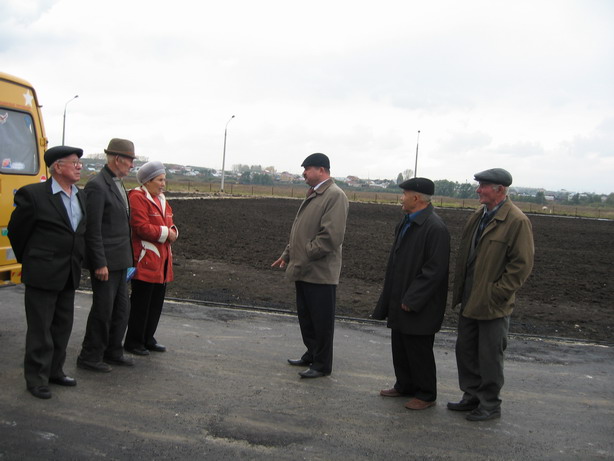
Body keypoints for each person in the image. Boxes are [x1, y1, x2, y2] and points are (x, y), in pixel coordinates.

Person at [448, 168, 534, 421]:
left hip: (493, 304)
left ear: (500, 190)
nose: (478, 190)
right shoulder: (478, 216)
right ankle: (471, 396)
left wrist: (498, 293)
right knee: (466, 351)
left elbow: (521, 265)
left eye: (483, 185)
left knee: (489, 356)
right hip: (470, 298)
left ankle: (490, 404)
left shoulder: (517, 221)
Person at [8, 146, 86, 399]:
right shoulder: (33, 195)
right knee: (40, 329)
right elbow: (18, 232)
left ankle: (55, 371)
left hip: (69, 272)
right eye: (74, 162)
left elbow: (80, 233)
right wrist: (32, 260)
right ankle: (36, 378)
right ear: (57, 167)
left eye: (80, 163)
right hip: (42, 272)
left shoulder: (80, 196)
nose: (79, 167)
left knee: (62, 326)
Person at [372, 178, 450, 410]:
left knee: (418, 349)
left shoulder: (435, 228)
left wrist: (412, 298)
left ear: (416, 198)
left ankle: (426, 394)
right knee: (400, 343)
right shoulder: (406, 222)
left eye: (405, 193)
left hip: (419, 303)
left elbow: (434, 271)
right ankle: (404, 384)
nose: (402, 198)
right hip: (400, 296)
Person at [272, 153, 349, 379]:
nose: (304, 172)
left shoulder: (335, 196)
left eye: (308, 168)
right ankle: (312, 353)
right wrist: (288, 254)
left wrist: (305, 254)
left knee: (321, 320)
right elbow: (301, 231)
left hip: (320, 272)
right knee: (307, 317)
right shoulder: (315, 194)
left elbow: (331, 237)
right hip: (304, 268)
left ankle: (322, 364)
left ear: (322, 170)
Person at [77, 138, 136, 372]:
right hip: (106, 263)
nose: (132, 165)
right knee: (103, 310)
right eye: (130, 160)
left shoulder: (118, 183)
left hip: (121, 262)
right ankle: (90, 356)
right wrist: (99, 263)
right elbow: (92, 229)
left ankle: (113, 351)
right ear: (118, 159)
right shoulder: (97, 186)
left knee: (121, 310)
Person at [124, 161, 178, 356]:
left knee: (155, 303)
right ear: (147, 181)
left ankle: (148, 337)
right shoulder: (137, 197)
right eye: (160, 179)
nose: (163, 184)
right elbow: (141, 227)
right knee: (141, 303)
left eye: (164, 179)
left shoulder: (162, 200)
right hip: (146, 260)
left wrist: (173, 232)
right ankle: (134, 340)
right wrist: (167, 233)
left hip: (162, 262)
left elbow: (170, 224)